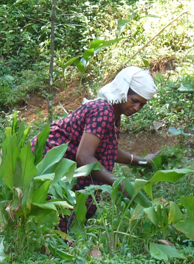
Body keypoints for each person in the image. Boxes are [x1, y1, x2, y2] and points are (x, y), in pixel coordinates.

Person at [34, 67, 159, 231]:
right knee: (54, 222)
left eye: (142, 104)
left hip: (63, 167)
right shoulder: (103, 110)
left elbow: (108, 150)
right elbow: (85, 158)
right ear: (122, 91)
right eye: (134, 100)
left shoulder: (114, 113)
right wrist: (119, 183)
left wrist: (143, 162)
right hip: (49, 163)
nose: (136, 108)